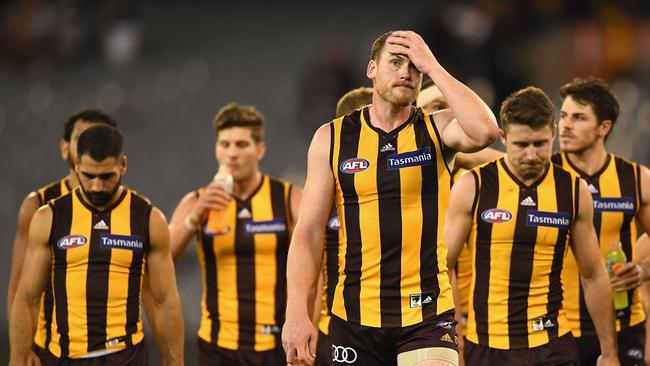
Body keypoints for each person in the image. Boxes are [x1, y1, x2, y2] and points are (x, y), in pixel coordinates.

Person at [283, 30, 499, 366]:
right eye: (395, 63)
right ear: (371, 69)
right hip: (354, 318)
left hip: (427, 314)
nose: (405, 73)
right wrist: (296, 313)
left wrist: (435, 68)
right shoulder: (332, 138)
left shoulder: (437, 129)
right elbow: (309, 231)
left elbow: (486, 130)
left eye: (414, 68)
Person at [445, 86, 618, 365]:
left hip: (552, 345)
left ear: (553, 132)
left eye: (539, 144)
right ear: (502, 137)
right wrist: (454, 342)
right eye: (521, 145)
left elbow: (594, 274)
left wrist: (609, 353)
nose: (531, 155)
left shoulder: (573, 191)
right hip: (487, 346)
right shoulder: (473, 186)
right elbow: (444, 268)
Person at [9, 125, 184, 365]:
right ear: (76, 164)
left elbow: (164, 301)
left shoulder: (148, 219)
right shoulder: (49, 217)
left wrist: (174, 361)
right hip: (65, 358)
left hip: (127, 357)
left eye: (106, 176)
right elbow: (28, 298)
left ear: (123, 165)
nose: (97, 186)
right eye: (89, 176)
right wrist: (17, 359)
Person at [167, 103, 301, 366]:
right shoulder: (196, 201)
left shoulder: (288, 199)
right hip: (218, 348)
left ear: (259, 150)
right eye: (224, 145)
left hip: (276, 345)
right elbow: (162, 259)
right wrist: (195, 218)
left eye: (241, 145)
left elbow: (314, 264)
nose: (232, 154)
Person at [551, 77, 650, 365]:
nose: (566, 126)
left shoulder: (635, 179)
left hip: (624, 326)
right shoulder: (543, 174)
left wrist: (643, 270)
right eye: (564, 116)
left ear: (603, 127)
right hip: (557, 327)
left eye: (579, 118)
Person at [6, 109, 118, 363]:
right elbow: (19, 289)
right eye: (81, 138)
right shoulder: (38, 206)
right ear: (64, 148)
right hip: (50, 354)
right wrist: (22, 352)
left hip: (117, 354)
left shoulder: (136, 211)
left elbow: (156, 295)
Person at [313, 87, 373, 366]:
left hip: (398, 323)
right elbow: (316, 274)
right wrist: (307, 326)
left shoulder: (407, 189)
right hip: (335, 330)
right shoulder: (322, 195)